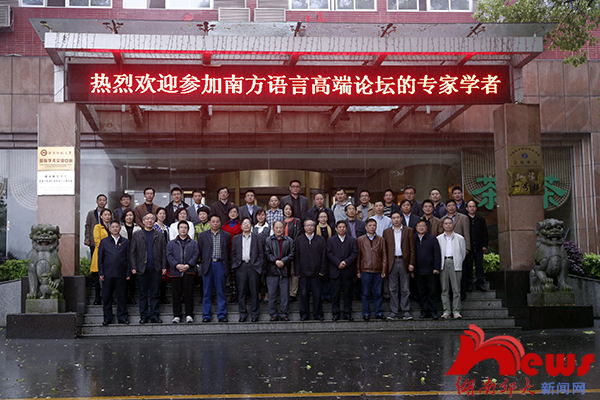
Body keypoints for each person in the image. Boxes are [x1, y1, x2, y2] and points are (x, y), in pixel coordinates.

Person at [130, 212, 167, 324]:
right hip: (142, 268)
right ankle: (144, 316)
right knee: (143, 294)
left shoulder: (160, 235)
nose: (149, 221)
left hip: (156, 268)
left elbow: (164, 252)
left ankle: (155, 315)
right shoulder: (137, 234)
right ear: (143, 221)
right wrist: (133, 266)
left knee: (155, 293)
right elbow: (132, 252)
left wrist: (164, 266)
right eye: (147, 219)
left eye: (151, 219)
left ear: (154, 221)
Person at [197, 214, 231, 323]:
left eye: (217, 221)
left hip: (220, 264)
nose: (215, 223)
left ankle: (221, 315)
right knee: (207, 292)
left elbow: (228, 251)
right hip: (208, 265)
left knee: (221, 291)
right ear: (209, 223)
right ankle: (206, 315)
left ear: (220, 223)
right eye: (213, 221)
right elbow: (200, 250)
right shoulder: (203, 235)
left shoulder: (226, 235)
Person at [383, 211, 416, 320]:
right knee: (392, 289)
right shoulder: (386, 232)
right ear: (391, 219)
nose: (396, 220)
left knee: (405, 289)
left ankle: (406, 311)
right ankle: (394, 312)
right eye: (394, 218)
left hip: (404, 261)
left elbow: (412, 249)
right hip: (392, 262)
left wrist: (411, 263)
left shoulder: (409, 230)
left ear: (401, 218)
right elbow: (385, 250)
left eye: (398, 217)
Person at [98, 219, 130, 326]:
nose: (115, 229)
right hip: (107, 273)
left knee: (122, 296)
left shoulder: (125, 242)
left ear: (120, 229)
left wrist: (128, 272)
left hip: (121, 274)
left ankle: (122, 318)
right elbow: (100, 259)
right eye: (113, 227)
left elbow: (128, 258)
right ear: (109, 228)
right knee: (107, 297)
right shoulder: (104, 242)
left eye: (117, 227)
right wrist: (101, 272)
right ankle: (107, 318)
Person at [231, 217, 265, 322]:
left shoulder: (257, 237)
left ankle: (255, 314)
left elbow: (261, 253)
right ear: (241, 226)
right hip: (241, 266)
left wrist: (259, 265)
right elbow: (233, 253)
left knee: (254, 292)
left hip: (253, 267)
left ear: (251, 225)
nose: (246, 225)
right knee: (241, 292)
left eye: (248, 223)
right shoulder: (236, 238)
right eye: (244, 223)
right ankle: (242, 314)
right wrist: (235, 264)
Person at [166, 220, 199, 324]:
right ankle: (177, 315)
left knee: (189, 294)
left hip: (189, 272)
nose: (183, 229)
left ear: (188, 230)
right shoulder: (171, 243)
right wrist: (176, 265)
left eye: (185, 228)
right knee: (176, 295)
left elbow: (196, 255)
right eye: (181, 227)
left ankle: (189, 314)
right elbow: (169, 255)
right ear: (178, 229)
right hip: (175, 272)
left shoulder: (193, 243)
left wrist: (188, 265)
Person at [294, 219, 327, 321]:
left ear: (314, 227)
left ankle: (318, 314)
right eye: (307, 225)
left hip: (316, 272)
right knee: (304, 294)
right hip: (303, 272)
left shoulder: (320, 240)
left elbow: (324, 256)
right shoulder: (298, 240)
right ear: (304, 227)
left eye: (311, 225)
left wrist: (322, 269)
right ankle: (304, 314)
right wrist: (297, 271)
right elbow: (296, 257)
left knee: (317, 294)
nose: (309, 227)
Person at [327, 220, 358, 321]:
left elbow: (354, 253)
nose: (342, 229)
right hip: (335, 270)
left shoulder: (352, 240)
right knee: (335, 294)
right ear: (336, 229)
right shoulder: (330, 240)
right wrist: (338, 263)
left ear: (346, 229)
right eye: (339, 227)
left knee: (348, 293)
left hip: (348, 270)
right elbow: (329, 253)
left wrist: (345, 262)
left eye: (343, 227)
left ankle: (347, 313)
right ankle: (335, 313)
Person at [356, 218, 387, 321]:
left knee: (378, 293)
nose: (372, 227)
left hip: (378, 270)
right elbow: (358, 257)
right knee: (365, 293)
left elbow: (384, 256)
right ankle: (366, 313)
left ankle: (379, 312)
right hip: (365, 270)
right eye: (370, 225)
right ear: (366, 227)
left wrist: (384, 270)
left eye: (374, 225)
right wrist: (358, 270)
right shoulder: (360, 240)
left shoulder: (381, 239)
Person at [264, 220, 295, 321]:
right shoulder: (268, 240)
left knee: (285, 295)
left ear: (284, 229)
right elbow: (267, 253)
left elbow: (292, 254)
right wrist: (276, 261)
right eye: (276, 228)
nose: (278, 230)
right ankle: (273, 314)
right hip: (271, 271)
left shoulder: (289, 240)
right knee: (272, 294)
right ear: (273, 229)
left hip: (285, 270)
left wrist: (283, 261)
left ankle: (284, 313)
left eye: (280, 228)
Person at [437, 217, 466, 319]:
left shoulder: (460, 238)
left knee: (456, 289)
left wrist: (458, 261)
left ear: (453, 225)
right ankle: (446, 311)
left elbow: (463, 253)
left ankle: (456, 311)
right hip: (443, 263)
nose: (448, 225)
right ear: (443, 225)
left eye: (450, 223)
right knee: (444, 289)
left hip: (455, 263)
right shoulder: (439, 238)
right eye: (446, 223)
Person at [413, 220, 441, 319]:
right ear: (416, 228)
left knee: (432, 291)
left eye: (423, 226)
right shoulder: (413, 238)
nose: (421, 228)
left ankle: (433, 311)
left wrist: (436, 267)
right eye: (419, 226)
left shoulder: (432, 239)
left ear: (426, 227)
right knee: (421, 292)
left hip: (431, 270)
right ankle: (424, 311)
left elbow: (437, 254)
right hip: (418, 270)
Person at [464, 200, 489, 293]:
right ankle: (469, 284)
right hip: (468, 247)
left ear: (476, 208)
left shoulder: (481, 219)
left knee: (479, 266)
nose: (472, 208)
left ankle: (480, 284)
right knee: (468, 266)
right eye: (470, 206)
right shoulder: (464, 219)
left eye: (473, 206)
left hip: (479, 247)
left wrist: (484, 245)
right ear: (466, 208)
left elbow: (485, 233)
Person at [91, 208, 113, 305]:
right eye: (105, 215)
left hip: (110, 256)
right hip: (100, 254)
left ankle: (109, 298)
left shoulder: (112, 228)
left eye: (109, 215)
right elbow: (97, 241)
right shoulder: (98, 227)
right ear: (101, 216)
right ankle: (97, 298)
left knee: (109, 278)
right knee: (97, 278)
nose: (107, 217)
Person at [119, 208, 140, 304]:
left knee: (133, 277)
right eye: (127, 215)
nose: (129, 217)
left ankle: (131, 296)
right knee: (124, 277)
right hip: (123, 254)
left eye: (131, 215)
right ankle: (124, 297)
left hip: (135, 254)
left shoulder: (138, 228)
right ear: (124, 217)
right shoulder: (120, 228)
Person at [221, 206, 243, 303]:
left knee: (238, 275)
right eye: (231, 212)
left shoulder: (241, 226)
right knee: (231, 275)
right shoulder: (224, 227)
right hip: (227, 253)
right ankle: (233, 293)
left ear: (237, 214)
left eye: (235, 212)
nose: (233, 214)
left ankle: (240, 294)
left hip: (238, 253)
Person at [282, 203, 302, 302]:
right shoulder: (281, 222)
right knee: (285, 271)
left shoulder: (296, 221)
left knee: (294, 271)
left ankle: (293, 293)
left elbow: (298, 235)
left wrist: (292, 247)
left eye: (289, 209)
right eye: (286, 209)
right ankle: (285, 291)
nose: (288, 211)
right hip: (282, 249)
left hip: (293, 248)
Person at [153, 206, 171, 304]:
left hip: (166, 253)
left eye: (164, 214)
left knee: (164, 276)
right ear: (156, 215)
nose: (162, 215)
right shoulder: (153, 227)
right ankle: (157, 296)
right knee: (157, 276)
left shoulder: (167, 228)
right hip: (156, 254)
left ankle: (163, 296)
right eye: (160, 213)